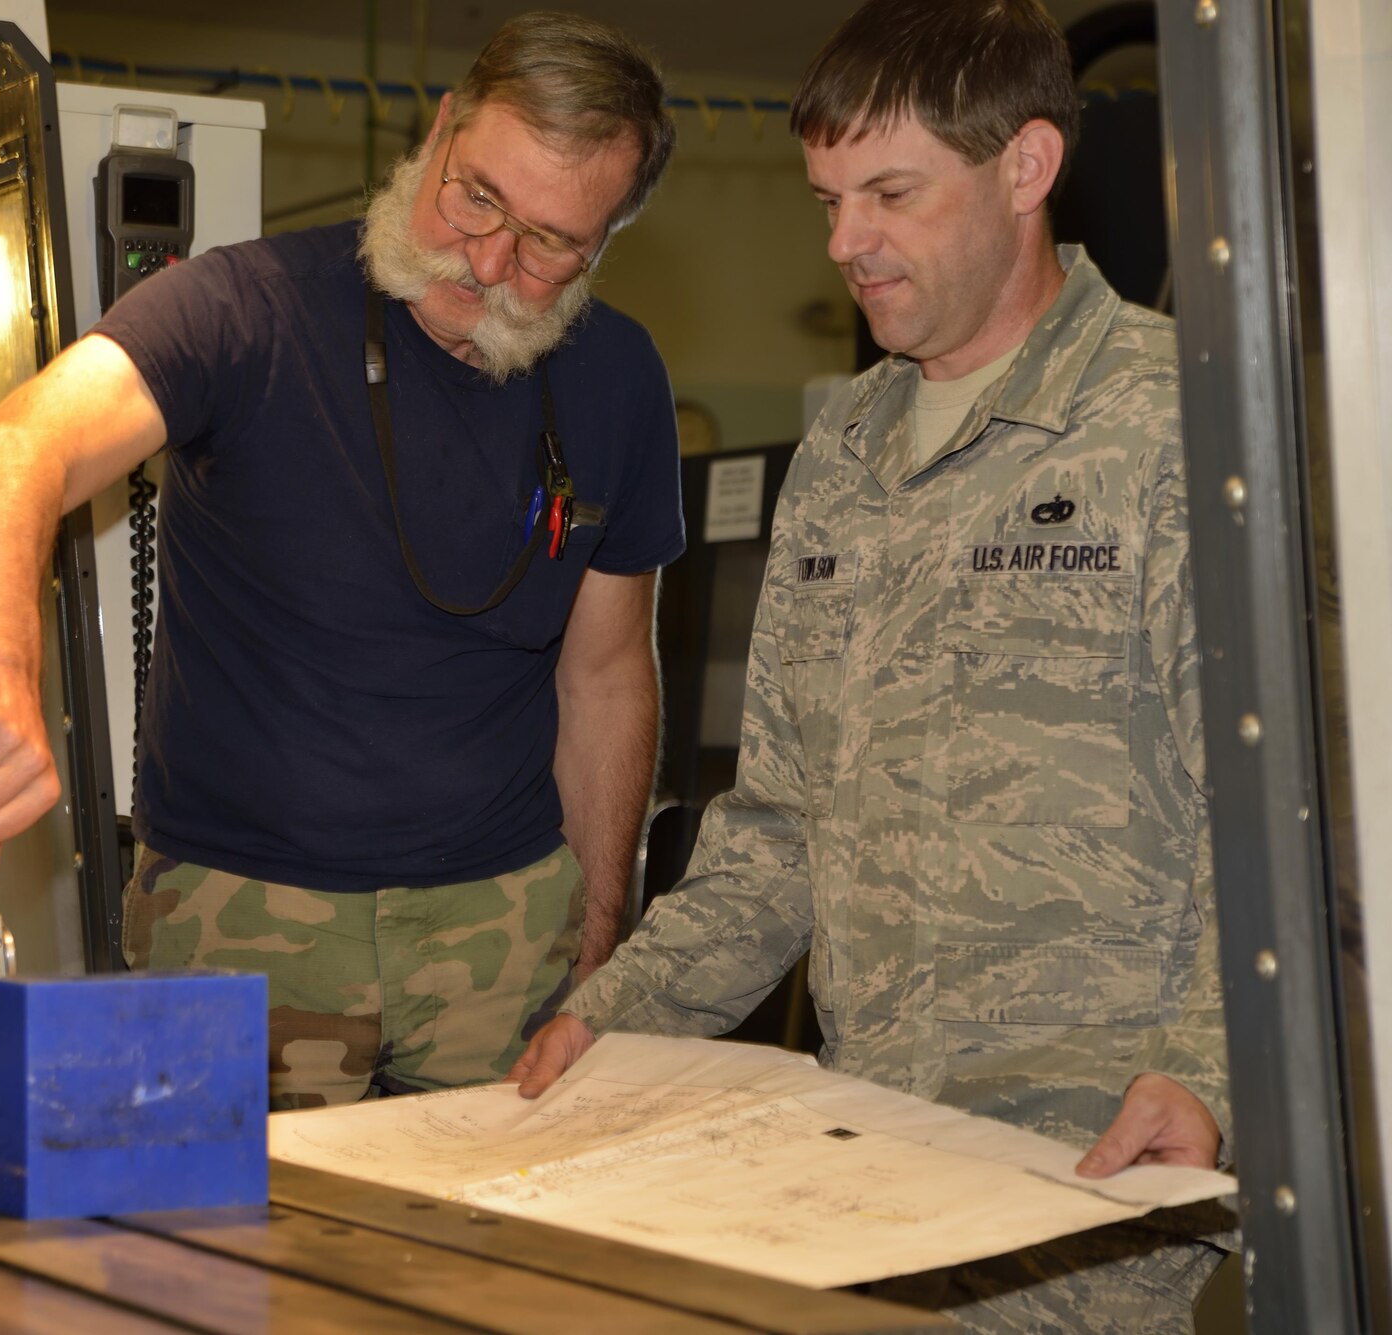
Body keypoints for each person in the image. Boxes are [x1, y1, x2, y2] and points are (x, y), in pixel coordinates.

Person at [510, 1, 1231, 1328]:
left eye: (891, 194)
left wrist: (1207, 1075)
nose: (847, 242)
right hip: (870, 1150)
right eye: (830, 199)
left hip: (1090, 1174)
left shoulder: (1178, 422)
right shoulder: (846, 457)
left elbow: (1274, 832)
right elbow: (782, 828)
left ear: (1025, 168)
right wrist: (620, 1013)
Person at [0, 13, 683, 1109]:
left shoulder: (618, 378)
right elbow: (1, 464)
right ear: (440, 130)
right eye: (474, 196)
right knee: (224, 1264)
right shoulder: (243, 309)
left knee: (494, 1270)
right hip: (243, 925)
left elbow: (607, 675)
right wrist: (1, 675)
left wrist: (597, 931)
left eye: (547, 243)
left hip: (503, 934)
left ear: (604, 239)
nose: (484, 261)